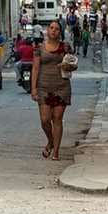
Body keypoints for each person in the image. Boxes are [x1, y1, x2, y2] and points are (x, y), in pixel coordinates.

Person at [31, 20, 76, 160]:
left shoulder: (65, 47)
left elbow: (74, 65)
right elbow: (35, 68)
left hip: (61, 87)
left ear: (60, 32)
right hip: (44, 87)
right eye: (51, 28)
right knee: (45, 120)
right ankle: (50, 141)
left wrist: (66, 66)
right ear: (47, 30)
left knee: (57, 119)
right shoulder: (40, 48)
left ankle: (56, 152)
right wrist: (33, 88)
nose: (53, 30)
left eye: (56, 29)